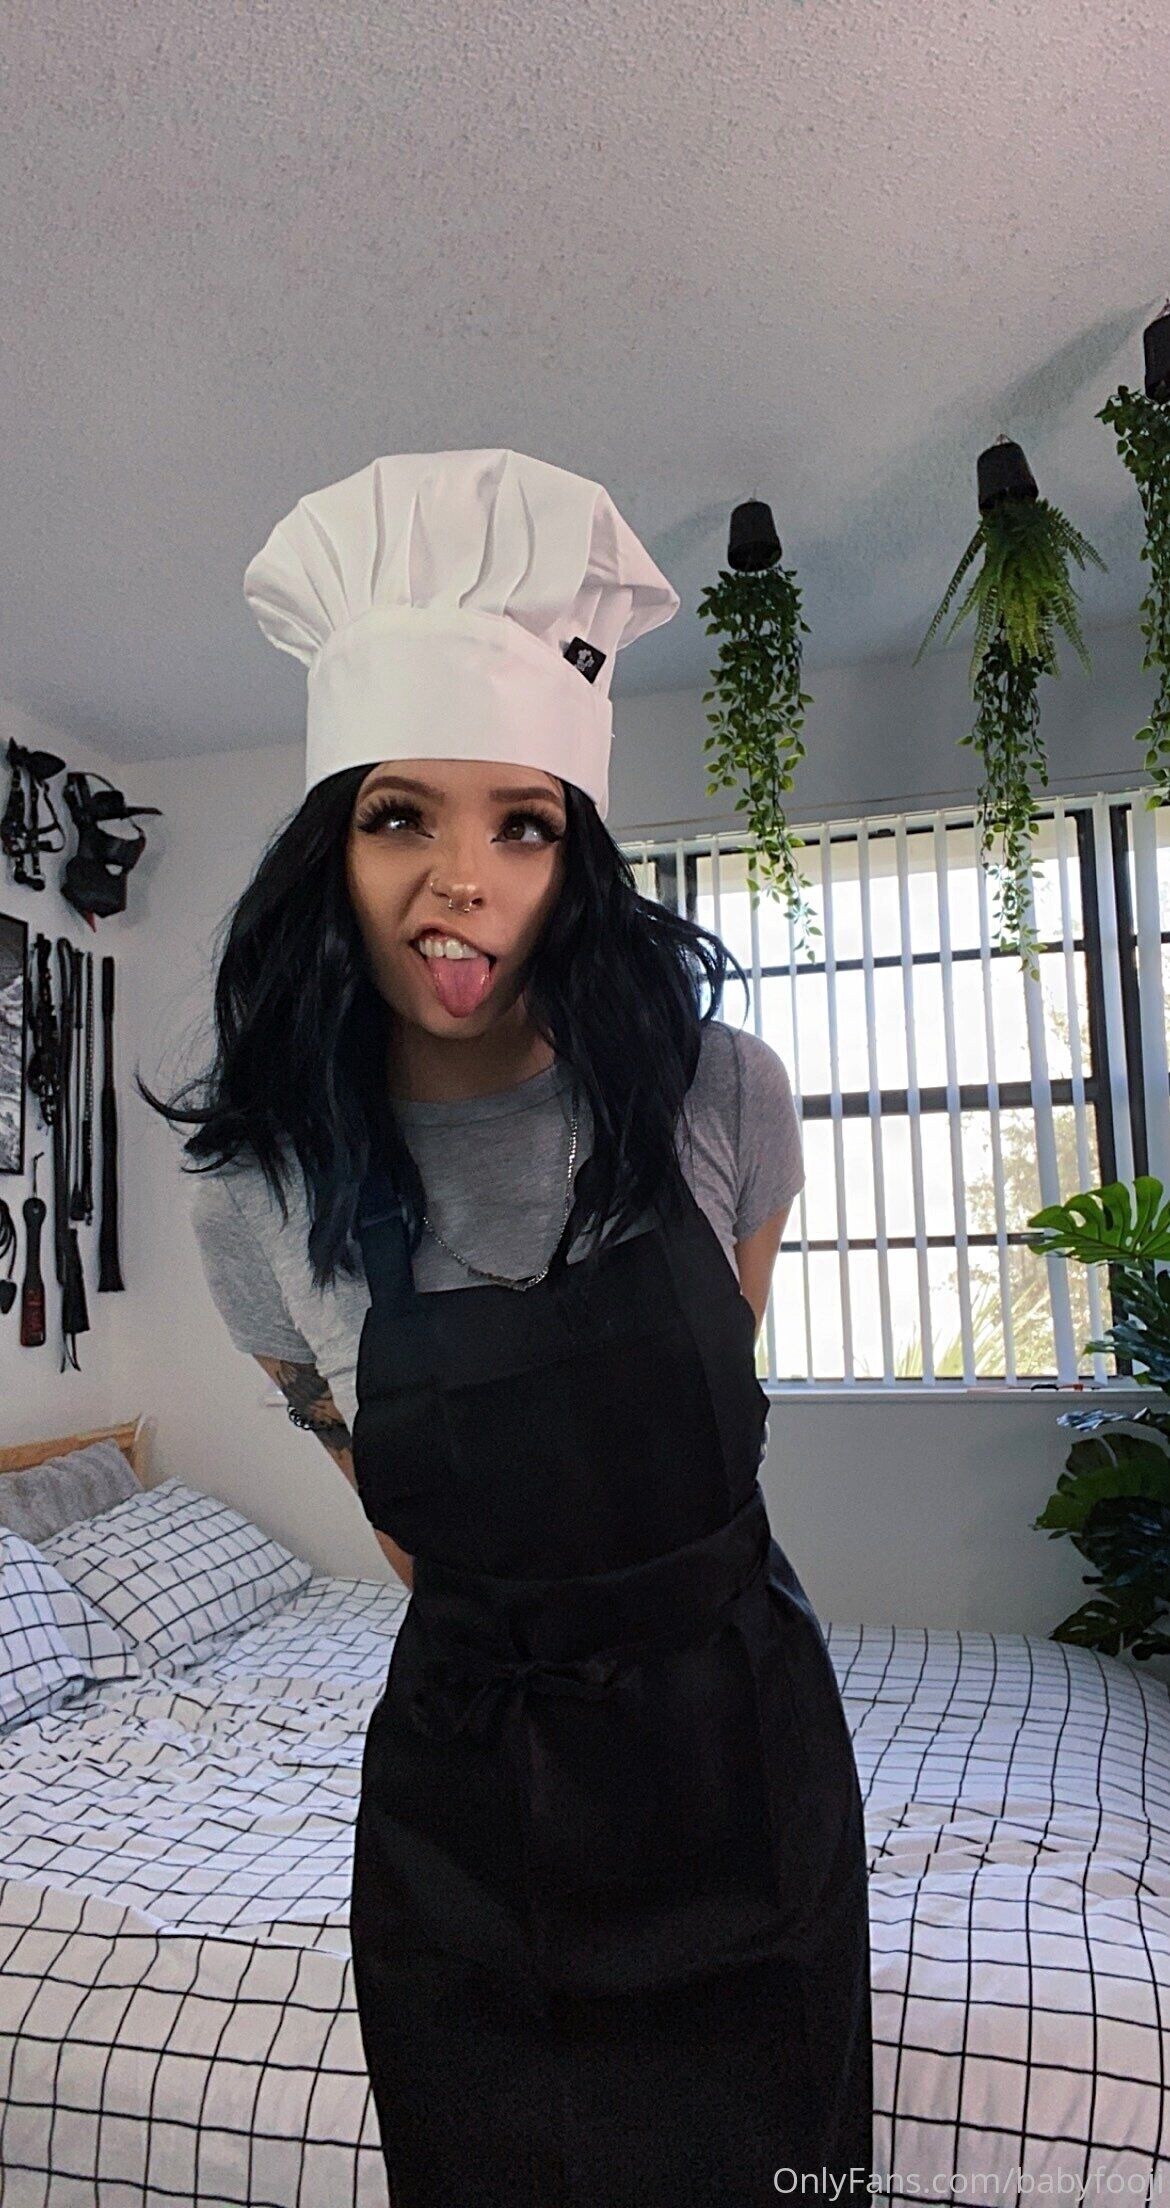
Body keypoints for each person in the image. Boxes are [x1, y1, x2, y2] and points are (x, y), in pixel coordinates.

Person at [148, 449, 873, 2205]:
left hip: (738, 1752)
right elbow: (400, 1524)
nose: (458, 879)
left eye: (521, 824)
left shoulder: (720, 1093)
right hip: (468, 1796)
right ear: (332, 853)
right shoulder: (255, 1188)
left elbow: (712, 1425)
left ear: (576, 859)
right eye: (400, 816)